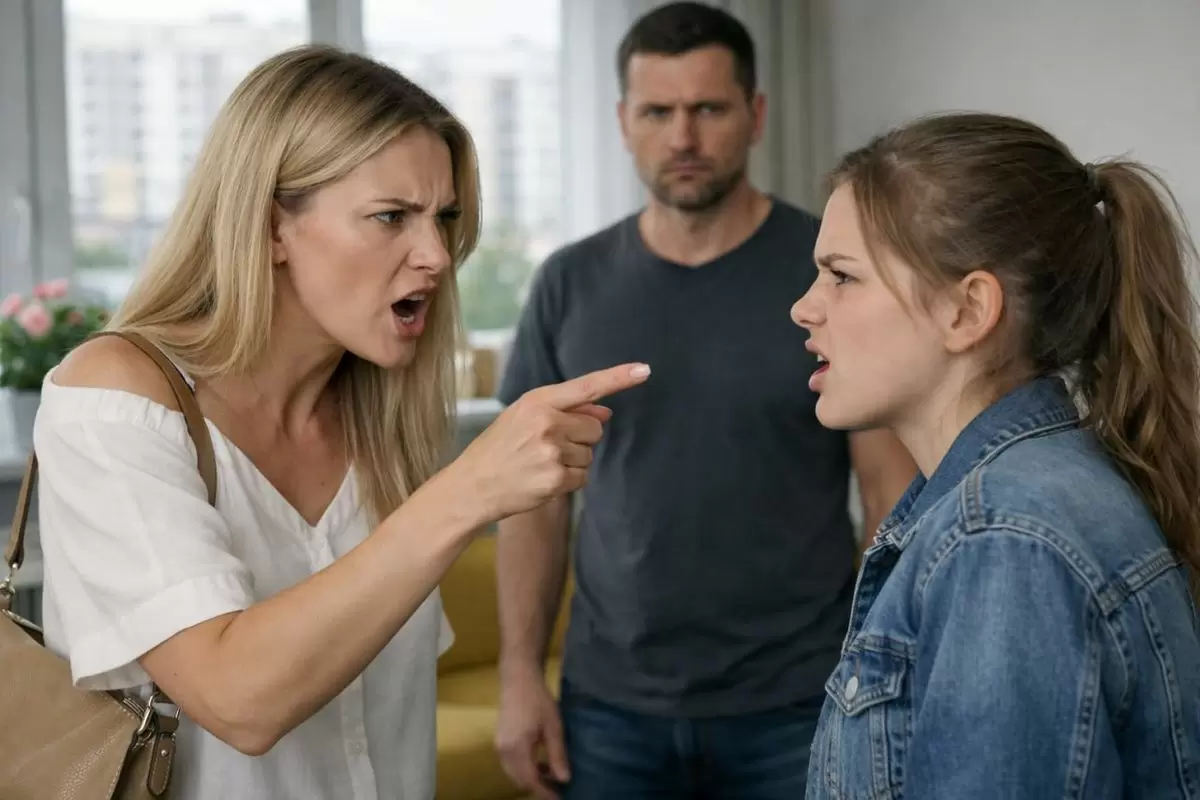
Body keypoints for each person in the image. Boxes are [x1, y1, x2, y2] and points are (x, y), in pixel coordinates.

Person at [32, 45, 649, 800]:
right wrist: (469, 491)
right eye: (391, 217)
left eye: (444, 218)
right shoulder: (114, 398)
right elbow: (237, 700)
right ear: (271, 228)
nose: (436, 255)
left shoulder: (384, 424)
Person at [493, 4, 917, 799]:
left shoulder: (831, 274)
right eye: (658, 112)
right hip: (610, 705)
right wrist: (519, 675)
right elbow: (533, 505)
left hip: (800, 698)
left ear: (755, 115)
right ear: (623, 122)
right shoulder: (568, 283)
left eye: (708, 109)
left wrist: (878, 669)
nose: (682, 137)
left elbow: (888, 489)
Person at [794, 111, 1200, 799]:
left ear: (967, 311)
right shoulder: (1017, 502)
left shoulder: (1003, 538)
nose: (805, 308)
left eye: (842, 276)